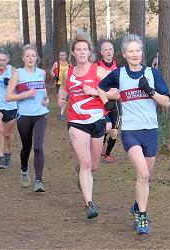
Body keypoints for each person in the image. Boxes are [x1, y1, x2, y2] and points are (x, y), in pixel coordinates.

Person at [98, 34, 170, 234]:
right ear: (124, 54)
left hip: (151, 131)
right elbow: (100, 87)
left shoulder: (153, 73)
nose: (135, 54)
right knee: (143, 173)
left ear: (142, 52)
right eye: (130, 51)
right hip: (131, 132)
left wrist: (151, 92)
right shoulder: (118, 74)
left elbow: (166, 103)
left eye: (137, 50)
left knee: (145, 177)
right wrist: (106, 102)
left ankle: (137, 206)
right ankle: (142, 218)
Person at [58, 31, 119, 219]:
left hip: (97, 121)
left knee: (93, 166)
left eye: (85, 49)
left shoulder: (98, 71)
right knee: (86, 163)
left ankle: (82, 173)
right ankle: (89, 203)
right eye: (78, 49)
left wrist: (94, 92)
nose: (82, 52)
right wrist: (61, 98)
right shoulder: (68, 72)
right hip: (77, 122)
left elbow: (116, 93)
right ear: (73, 53)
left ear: (89, 51)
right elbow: (63, 88)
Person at [6, 44, 49, 192]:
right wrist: (24, 95)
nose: (30, 58)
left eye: (33, 55)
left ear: (36, 58)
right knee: (27, 147)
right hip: (24, 116)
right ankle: (24, 169)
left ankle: (39, 181)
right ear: (23, 58)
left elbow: (43, 90)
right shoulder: (18, 74)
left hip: (41, 114)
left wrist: (46, 100)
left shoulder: (41, 73)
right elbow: (8, 96)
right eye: (27, 56)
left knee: (38, 147)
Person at [97, 41, 121, 163]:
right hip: (101, 101)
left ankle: (107, 154)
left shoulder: (119, 66)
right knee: (106, 128)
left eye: (110, 49)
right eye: (105, 50)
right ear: (102, 52)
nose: (108, 52)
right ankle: (101, 141)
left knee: (114, 131)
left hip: (116, 102)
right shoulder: (97, 66)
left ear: (113, 51)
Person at [50, 51, 71, 120]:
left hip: (66, 84)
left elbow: (72, 72)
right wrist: (54, 77)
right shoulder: (56, 63)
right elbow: (51, 71)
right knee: (59, 99)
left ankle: (61, 114)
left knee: (64, 99)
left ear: (66, 56)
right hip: (58, 83)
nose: (62, 56)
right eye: (60, 55)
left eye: (63, 55)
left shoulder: (69, 64)